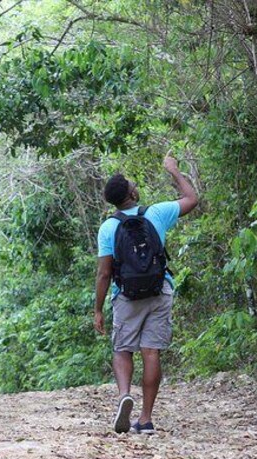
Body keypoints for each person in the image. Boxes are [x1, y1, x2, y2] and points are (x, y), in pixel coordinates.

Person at [94, 155, 199, 434]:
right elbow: (191, 198)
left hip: (126, 295)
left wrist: (98, 309)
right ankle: (146, 418)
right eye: (131, 183)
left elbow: (104, 273)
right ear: (131, 193)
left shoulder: (108, 228)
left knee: (122, 349)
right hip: (159, 289)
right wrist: (174, 171)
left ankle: (124, 395)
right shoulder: (156, 213)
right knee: (151, 352)